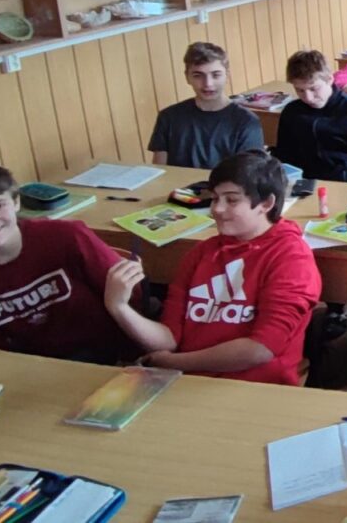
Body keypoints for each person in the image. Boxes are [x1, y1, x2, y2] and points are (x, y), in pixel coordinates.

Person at [104, 151, 322, 385]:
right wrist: (119, 307)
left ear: (266, 204)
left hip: (255, 387)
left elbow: (260, 350)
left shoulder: (292, 258)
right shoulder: (201, 253)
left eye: (231, 200)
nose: (216, 209)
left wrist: (175, 363)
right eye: (215, 198)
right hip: (187, 381)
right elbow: (169, 339)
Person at [0, 161, 135, 364]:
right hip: (34, 368)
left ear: (16, 202)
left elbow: (131, 296)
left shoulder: (67, 236)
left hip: (111, 356)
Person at [275, 49, 347, 185]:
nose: (308, 97)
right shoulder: (291, 112)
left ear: (329, 79)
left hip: (346, 184)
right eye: (300, 90)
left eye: (314, 88)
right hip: (303, 184)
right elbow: (284, 156)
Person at [148, 42, 264, 169]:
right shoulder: (168, 117)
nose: (208, 84)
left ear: (227, 75)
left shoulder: (247, 121)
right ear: (187, 77)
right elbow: (160, 170)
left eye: (216, 75)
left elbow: (248, 174)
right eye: (198, 76)